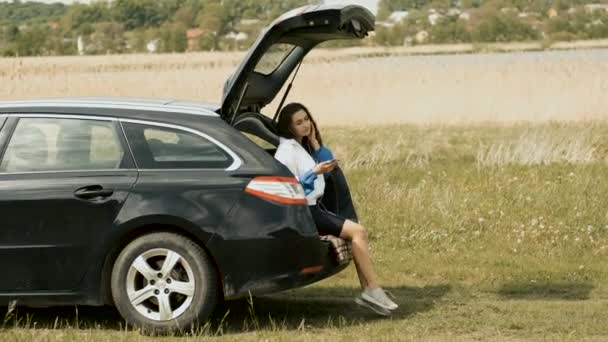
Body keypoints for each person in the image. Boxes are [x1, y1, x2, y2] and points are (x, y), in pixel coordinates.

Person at [274, 102, 398, 315]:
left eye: (307, 119)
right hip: (306, 212)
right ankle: (372, 290)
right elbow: (288, 186)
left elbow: (328, 163)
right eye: (299, 122)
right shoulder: (286, 150)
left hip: (315, 207)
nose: (306, 125)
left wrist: (314, 143)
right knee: (358, 232)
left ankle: (370, 290)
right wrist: (314, 172)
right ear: (289, 127)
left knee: (357, 232)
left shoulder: (301, 146)